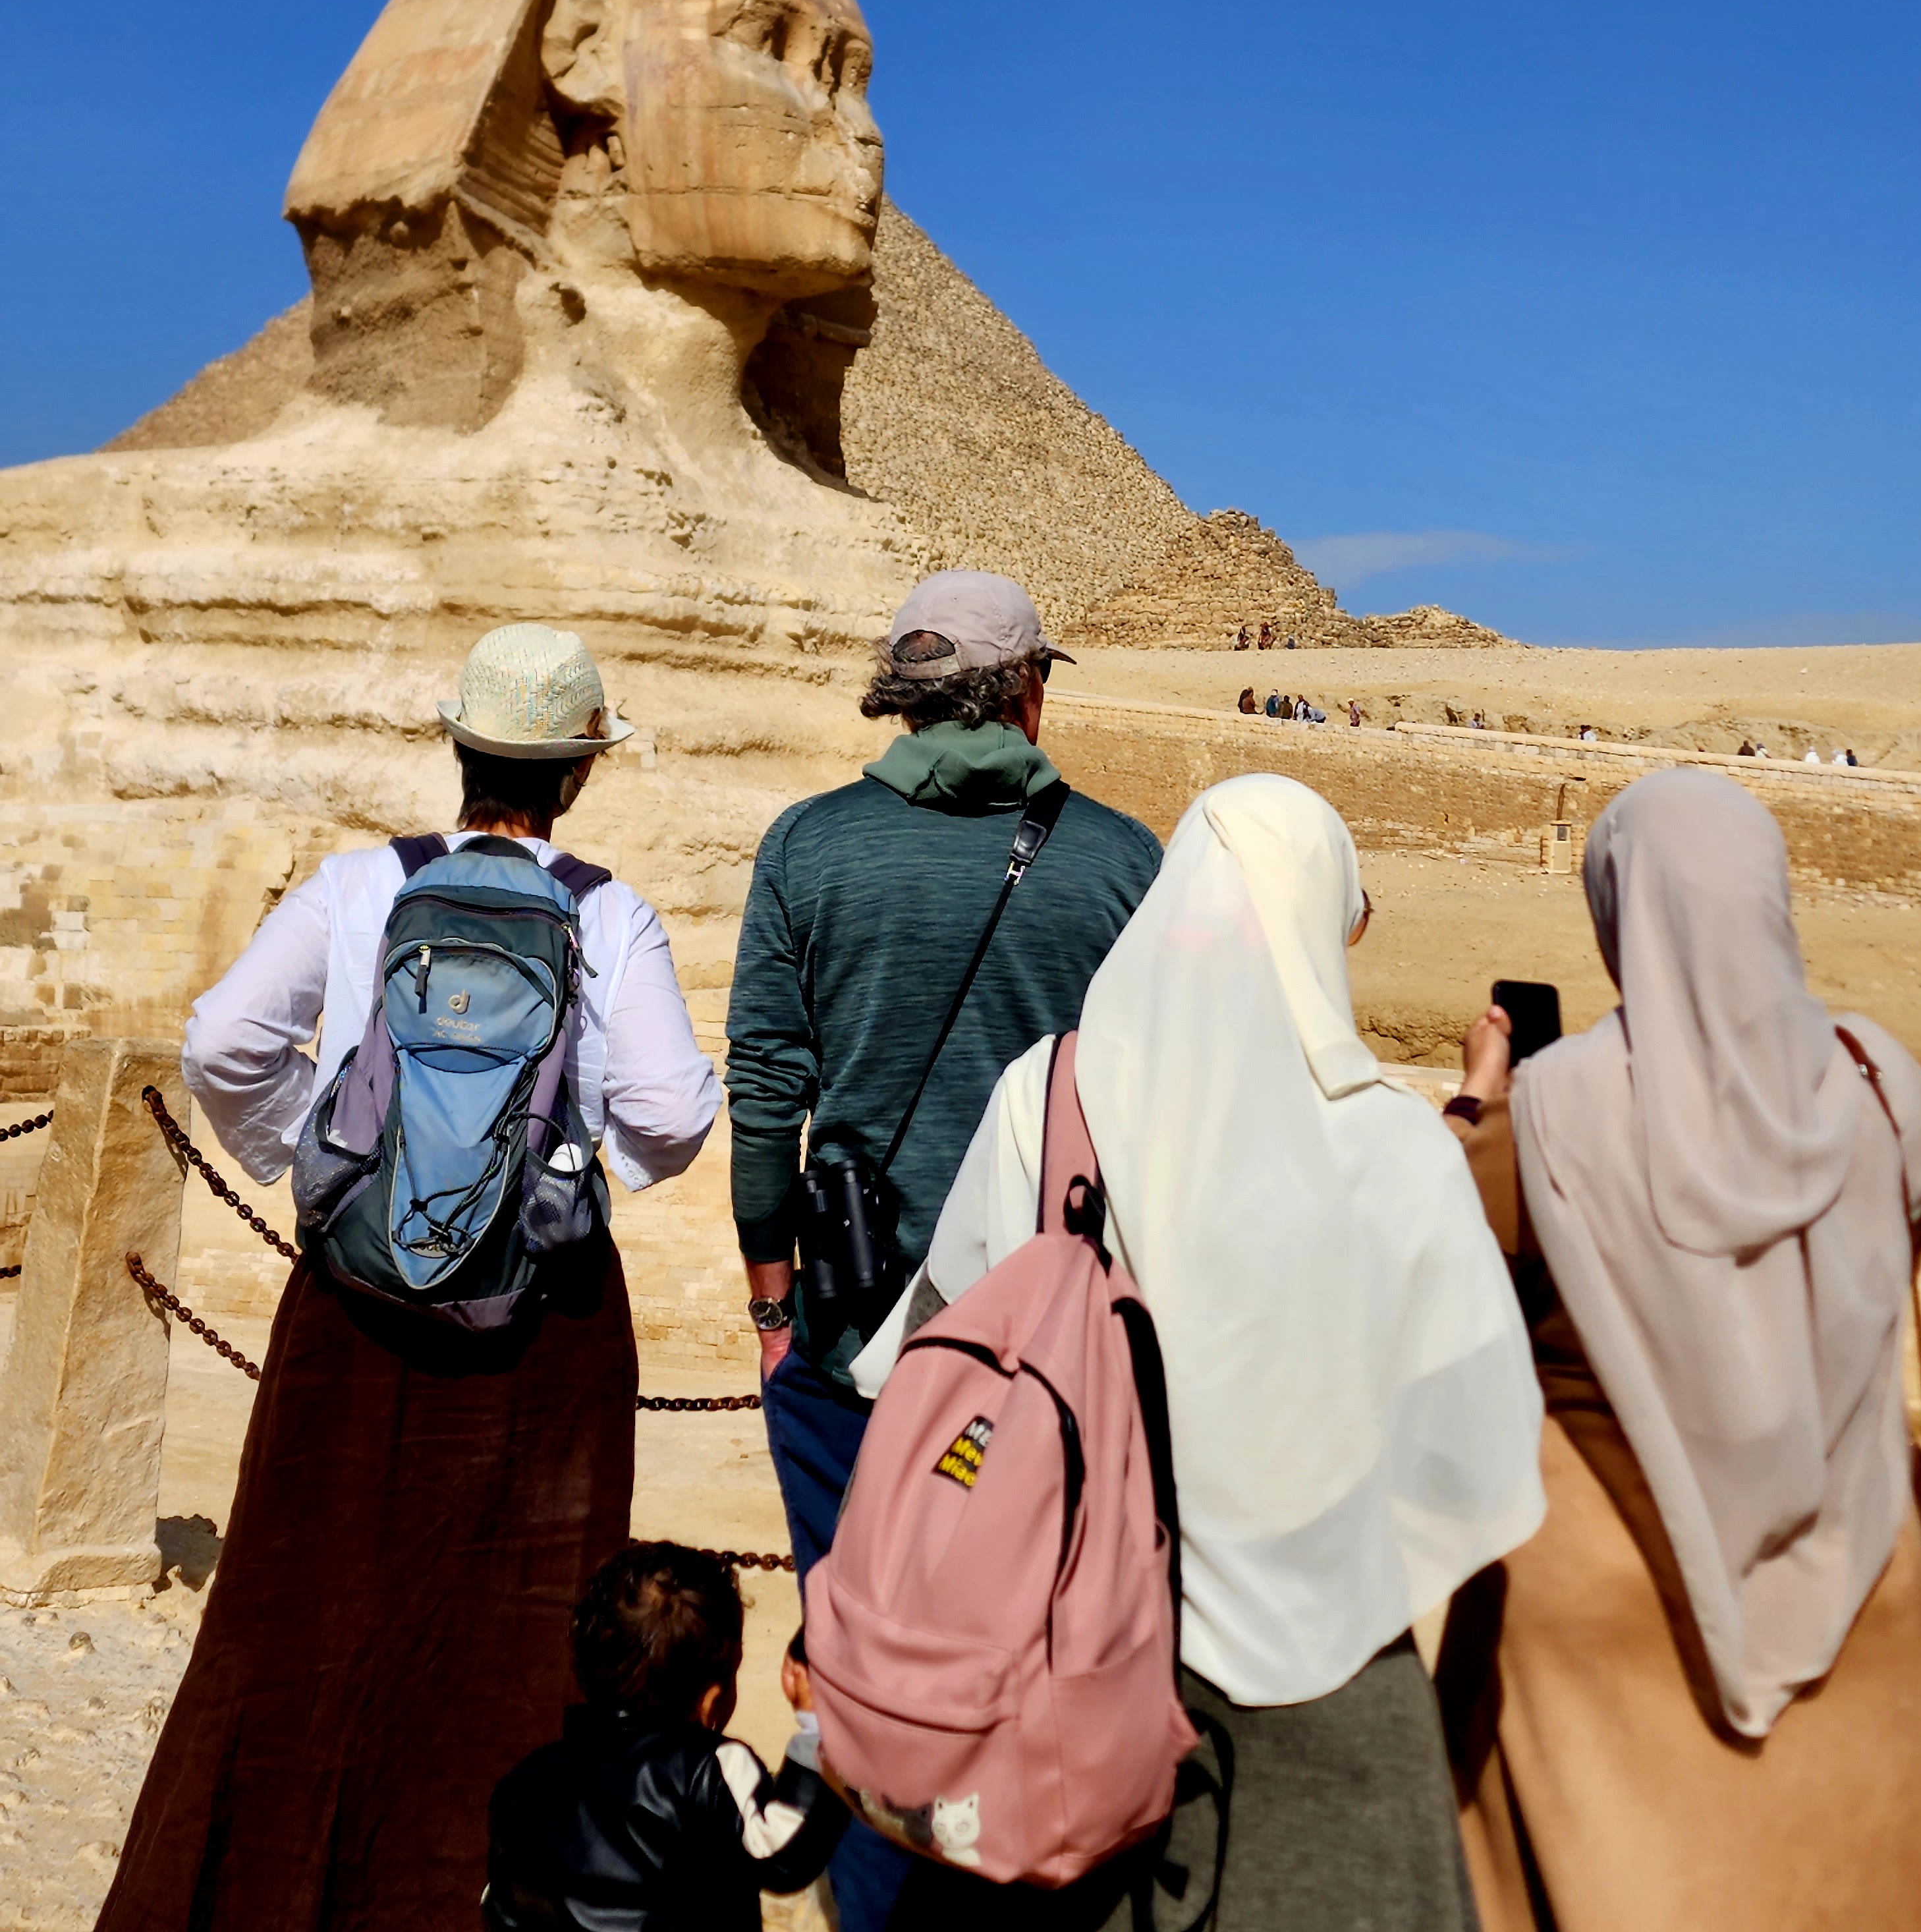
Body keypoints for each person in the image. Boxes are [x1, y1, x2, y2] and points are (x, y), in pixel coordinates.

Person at [101, 623, 721, 1932]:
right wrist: (571, 1178)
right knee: (518, 1637)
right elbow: (670, 1108)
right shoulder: (609, 912)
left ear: (461, 750)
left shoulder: (357, 885)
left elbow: (224, 1042)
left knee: (297, 1617)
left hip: (352, 1304)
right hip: (543, 1326)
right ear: (580, 772)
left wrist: (322, 1168)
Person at [860, 775, 1545, 1932]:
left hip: (1065, 1670)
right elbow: (1473, 1455)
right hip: (1328, 1684)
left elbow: (932, 1353)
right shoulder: (1396, 1144)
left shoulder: (1048, 1093)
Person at [1435, 770, 1921, 1931]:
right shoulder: (1885, 1093)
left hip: (1604, 1641)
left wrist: (1476, 1101)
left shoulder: (1550, 1115)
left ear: (1618, 911)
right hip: (1863, 1611)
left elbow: (1431, 1262)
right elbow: (1901, 1235)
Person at [726, 569, 1162, 1932]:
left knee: (865, 1649)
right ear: (1027, 692)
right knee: (1038, 1638)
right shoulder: (1121, 863)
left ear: (902, 700)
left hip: (851, 1328)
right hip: (1047, 1350)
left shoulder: (809, 846)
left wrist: (773, 1305)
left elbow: (766, 1093)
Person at [484, 1542, 846, 1931]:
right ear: (711, 1699)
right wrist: (819, 1727)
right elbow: (781, 1854)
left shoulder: (522, 1784)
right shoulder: (709, 1769)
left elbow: (501, 1908)